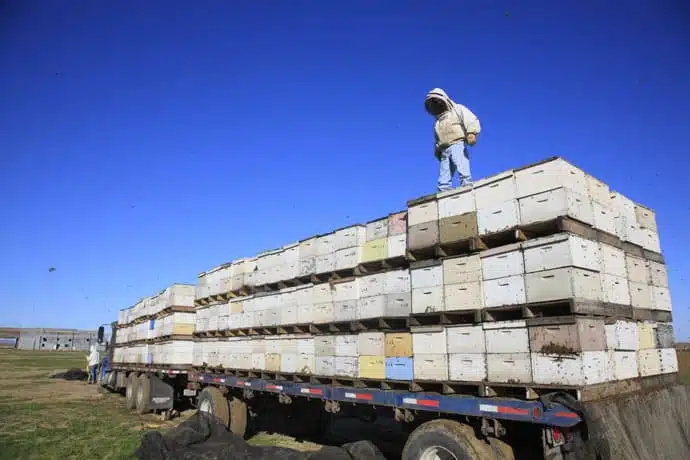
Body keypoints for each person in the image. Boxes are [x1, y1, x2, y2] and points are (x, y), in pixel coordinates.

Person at [424, 88, 481, 192]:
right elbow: (437, 138)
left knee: (461, 162)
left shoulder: (457, 109)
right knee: (445, 170)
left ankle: (466, 182)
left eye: (437, 102)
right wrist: (437, 151)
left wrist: (472, 132)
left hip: (457, 144)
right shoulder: (437, 123)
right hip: (444, 149)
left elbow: (470, 118)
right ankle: (444, 188)